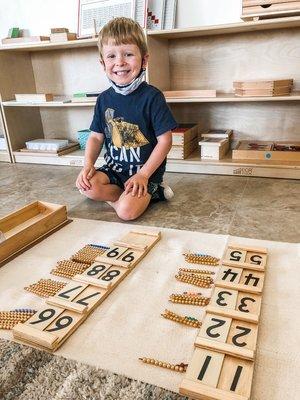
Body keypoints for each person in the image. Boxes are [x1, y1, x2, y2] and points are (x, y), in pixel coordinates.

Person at [76, 17, 177, 221]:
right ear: (103, 63)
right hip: (114, 170)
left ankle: (152, 191)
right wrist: (88, 164)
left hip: (145, 174)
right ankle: (122, 197)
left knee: (126, 212)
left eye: (128, 54)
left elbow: (165, 141)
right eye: (111, 56)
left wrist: (144, 175)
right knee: (86, 187)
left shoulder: (152, 97)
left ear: (144, 60)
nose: (120, 62)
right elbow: (96, 138)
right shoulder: (103, 99)